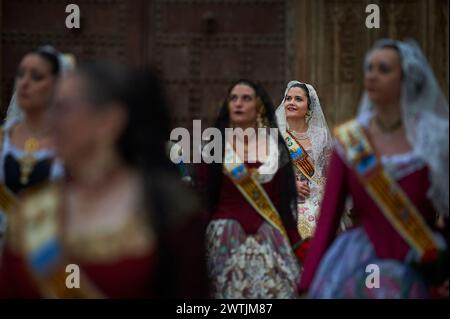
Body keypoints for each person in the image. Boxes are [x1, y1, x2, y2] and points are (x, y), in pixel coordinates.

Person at [0, 62, 208, 298]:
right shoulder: (31, 211)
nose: (50, 121)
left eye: (63, 109)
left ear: (108, 121)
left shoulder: (169, 210)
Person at [299, 39, 449, 298]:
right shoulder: (350, 141)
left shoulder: (434, 139)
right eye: (369, 68)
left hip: (419, 258)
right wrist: (307, 282)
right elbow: (328, 219)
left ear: (407, 78)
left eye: (384, 69)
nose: (372, 75)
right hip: (357, 261)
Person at [198, 79, 303, 298]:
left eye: (246, 98)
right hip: (224, 238)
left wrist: (298, 246)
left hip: (268, 238)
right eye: (233, 98)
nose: (238, 103)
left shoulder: (276, 148)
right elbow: (205, 200)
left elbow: (283, 205)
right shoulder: (214, 148)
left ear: (259, 106)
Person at [0, 46, 74, 254]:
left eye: (37, 77)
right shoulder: (3, 140)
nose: (24, 83)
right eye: (21, 74)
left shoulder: (73, 145)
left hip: (54, 253)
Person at [275, 81, 333, 241]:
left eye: (298, 99)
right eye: (288, 98)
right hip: (284, 196)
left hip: (315, 197)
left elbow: (328, 171)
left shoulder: (321, 135)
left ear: (309, 105)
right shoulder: (275, 135)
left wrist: (320, 193)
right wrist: (288, 184)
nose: (291, 102)